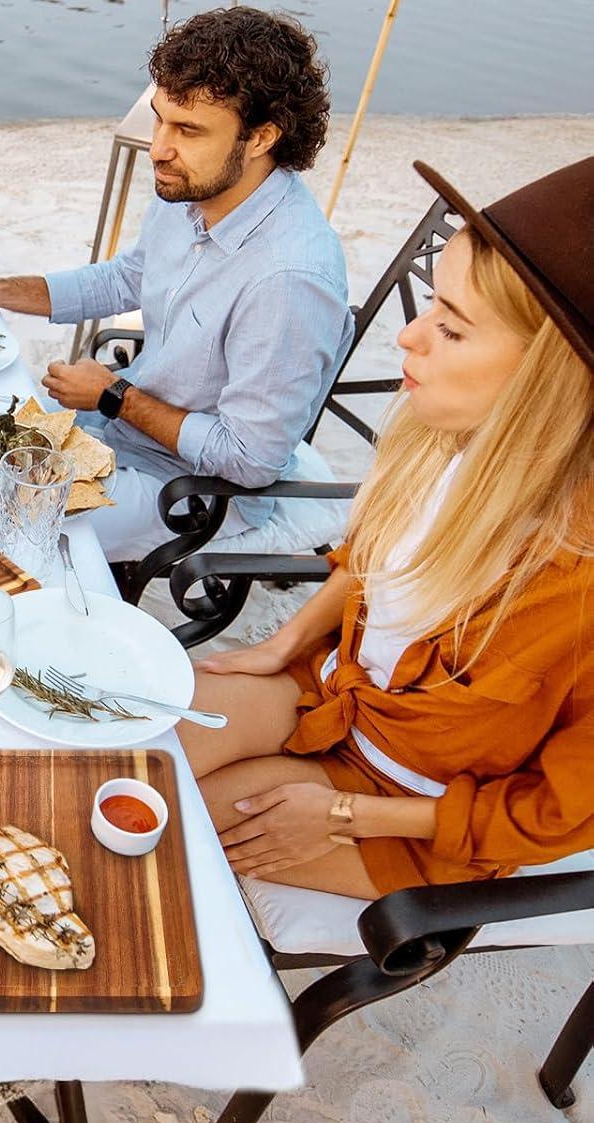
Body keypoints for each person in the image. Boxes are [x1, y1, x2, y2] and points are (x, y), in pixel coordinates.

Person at [178, 157, 594, 899]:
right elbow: (371, 561)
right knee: (139, 761)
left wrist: (352, 815)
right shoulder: (440, 447)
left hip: (423, 806)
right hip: (339, 695)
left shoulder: (577, 585)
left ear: (547, 379)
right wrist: (286, 643)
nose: (409, 337)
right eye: (431, 306)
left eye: (452, 329)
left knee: (172, 834)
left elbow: (561, 811)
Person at [0, 7, 351, 563]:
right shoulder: (195, 191)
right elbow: (125, 278)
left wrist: (115, 397)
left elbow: (250, 459)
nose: (157, 148)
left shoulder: (289, 280)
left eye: (188, 130)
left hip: (195, 491)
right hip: (121, 434)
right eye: (160, 120)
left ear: (261, 138)